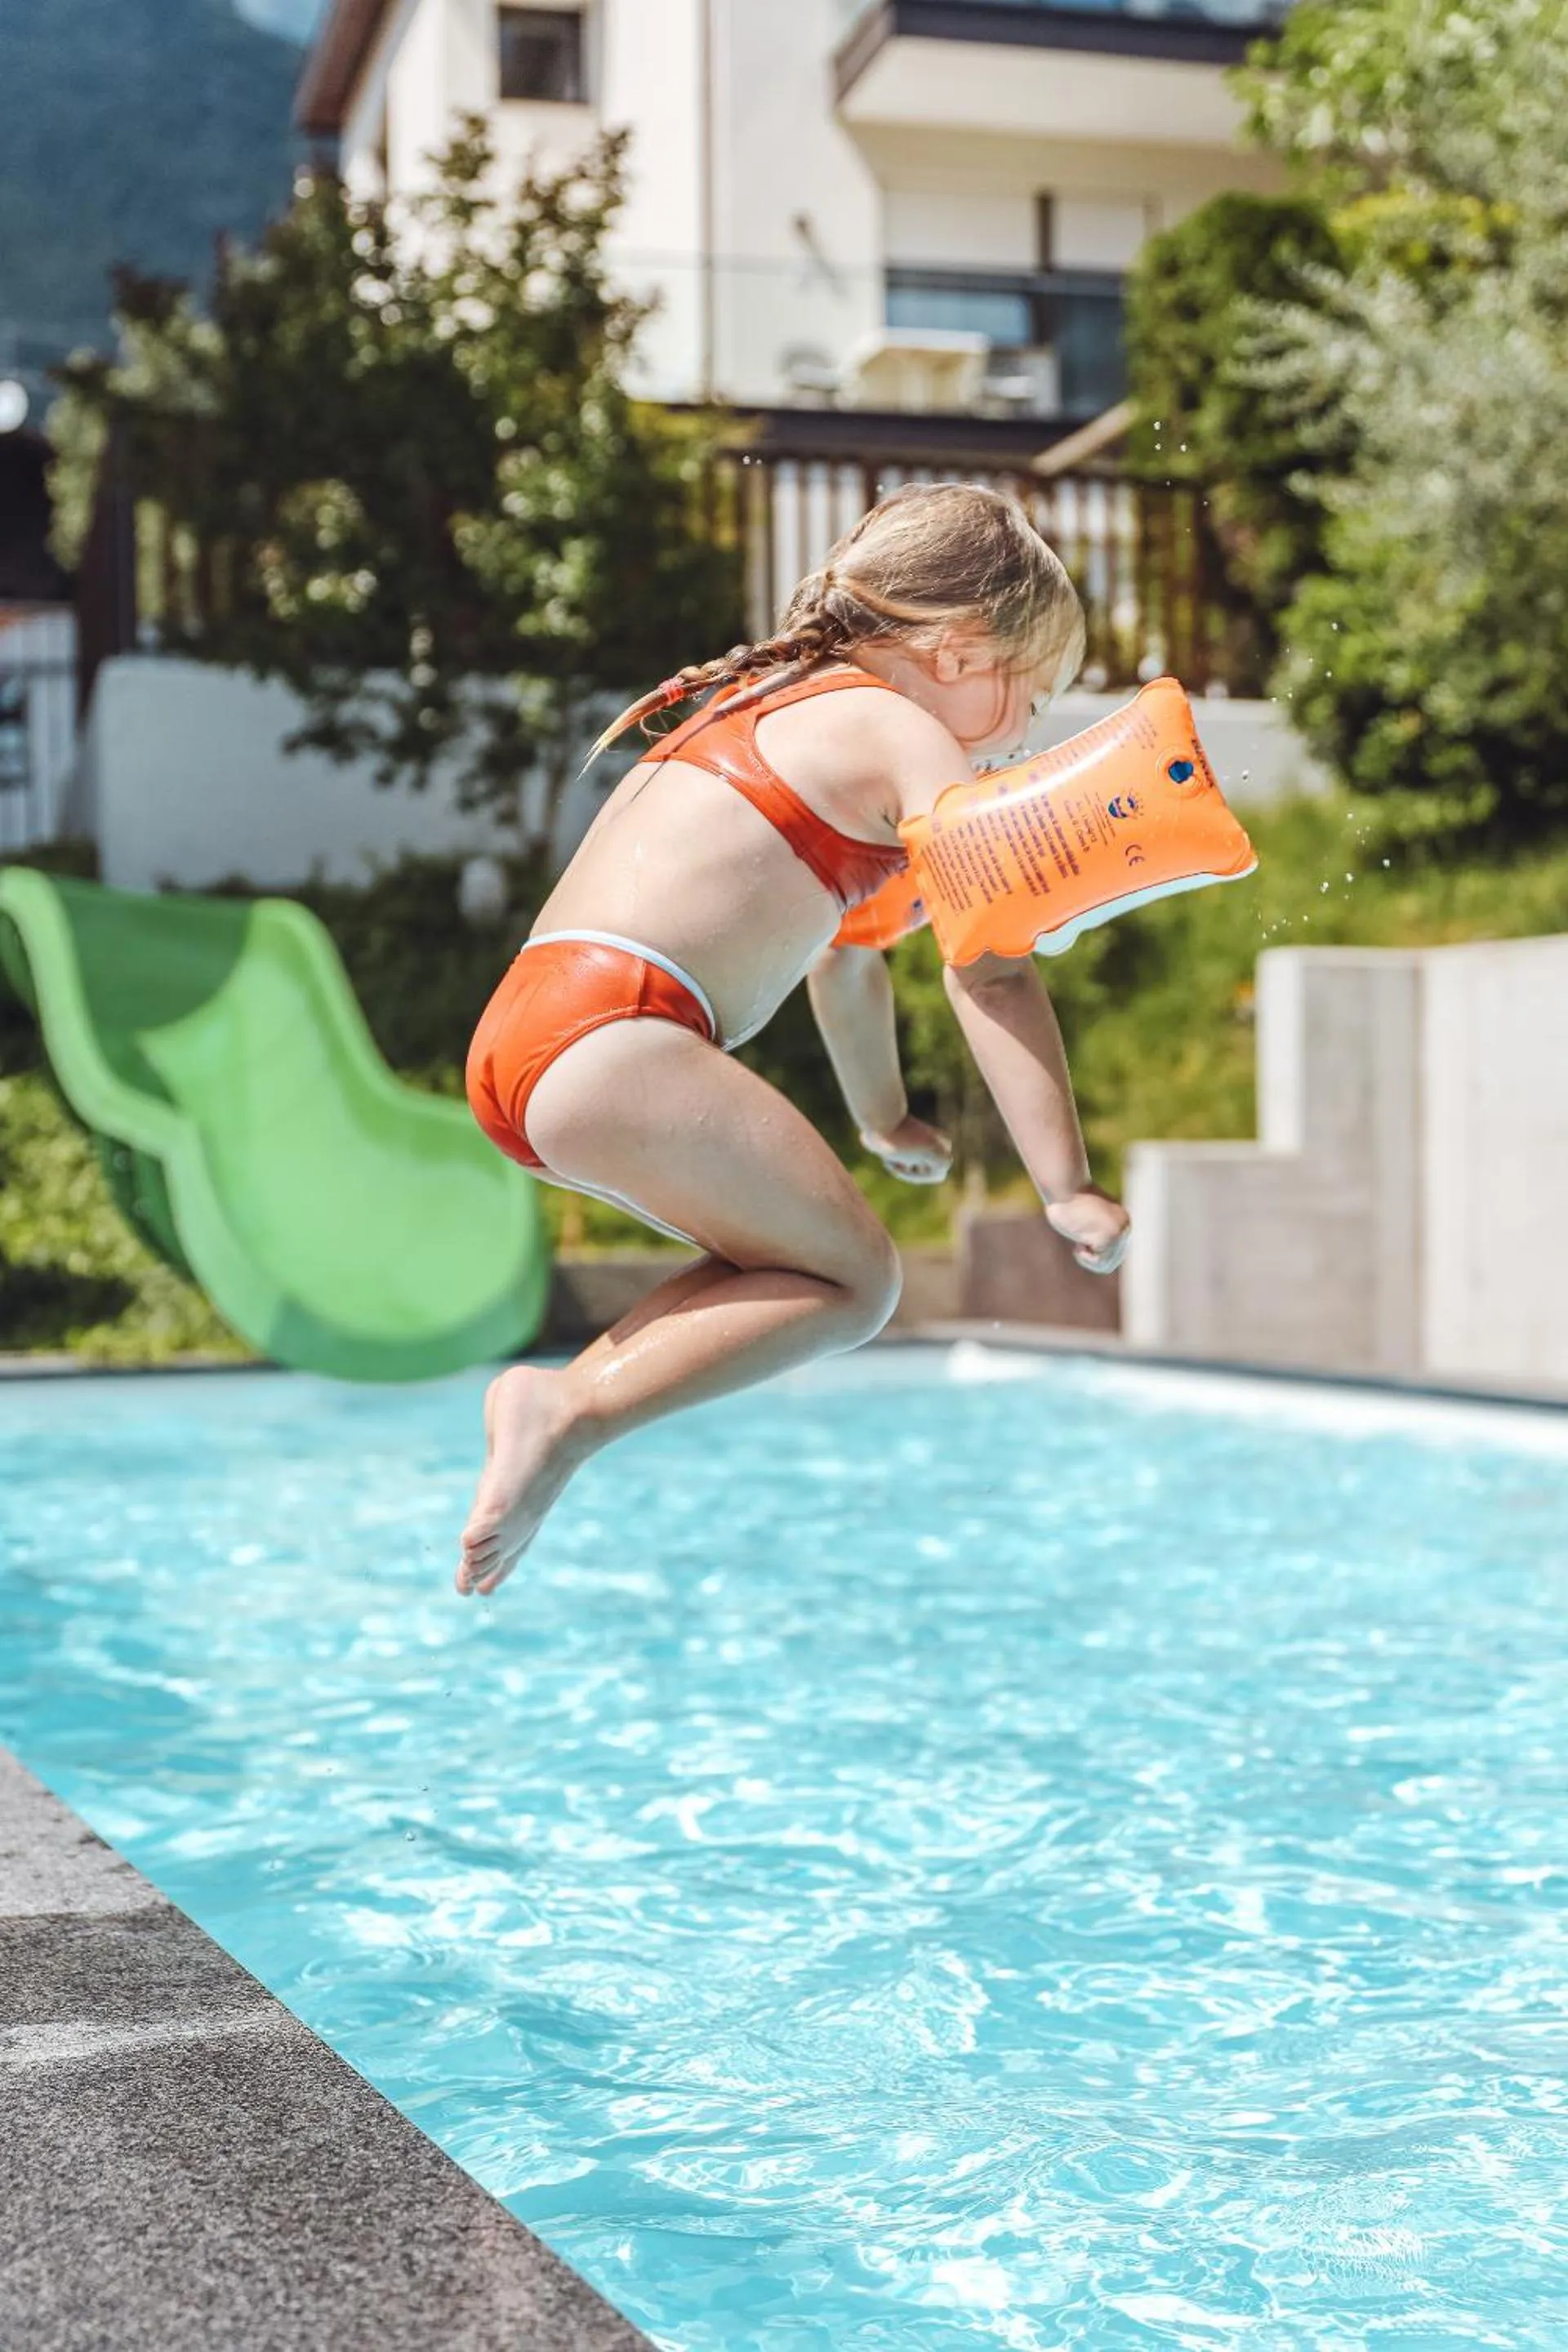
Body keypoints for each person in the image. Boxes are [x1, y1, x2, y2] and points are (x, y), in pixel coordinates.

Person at [459, 483, 1130, 1597]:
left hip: (534, 1037)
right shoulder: (905, 730)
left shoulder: (775, 700)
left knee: (783, 1263)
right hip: (619, 1032)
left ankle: (563, 1400)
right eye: (1035, 693)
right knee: (858, 1283)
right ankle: (570, 1411)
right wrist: (1066, 1186)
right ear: (958, 652)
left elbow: (847, 955)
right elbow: (992, 967)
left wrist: (882, 1115)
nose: (1029, 733)